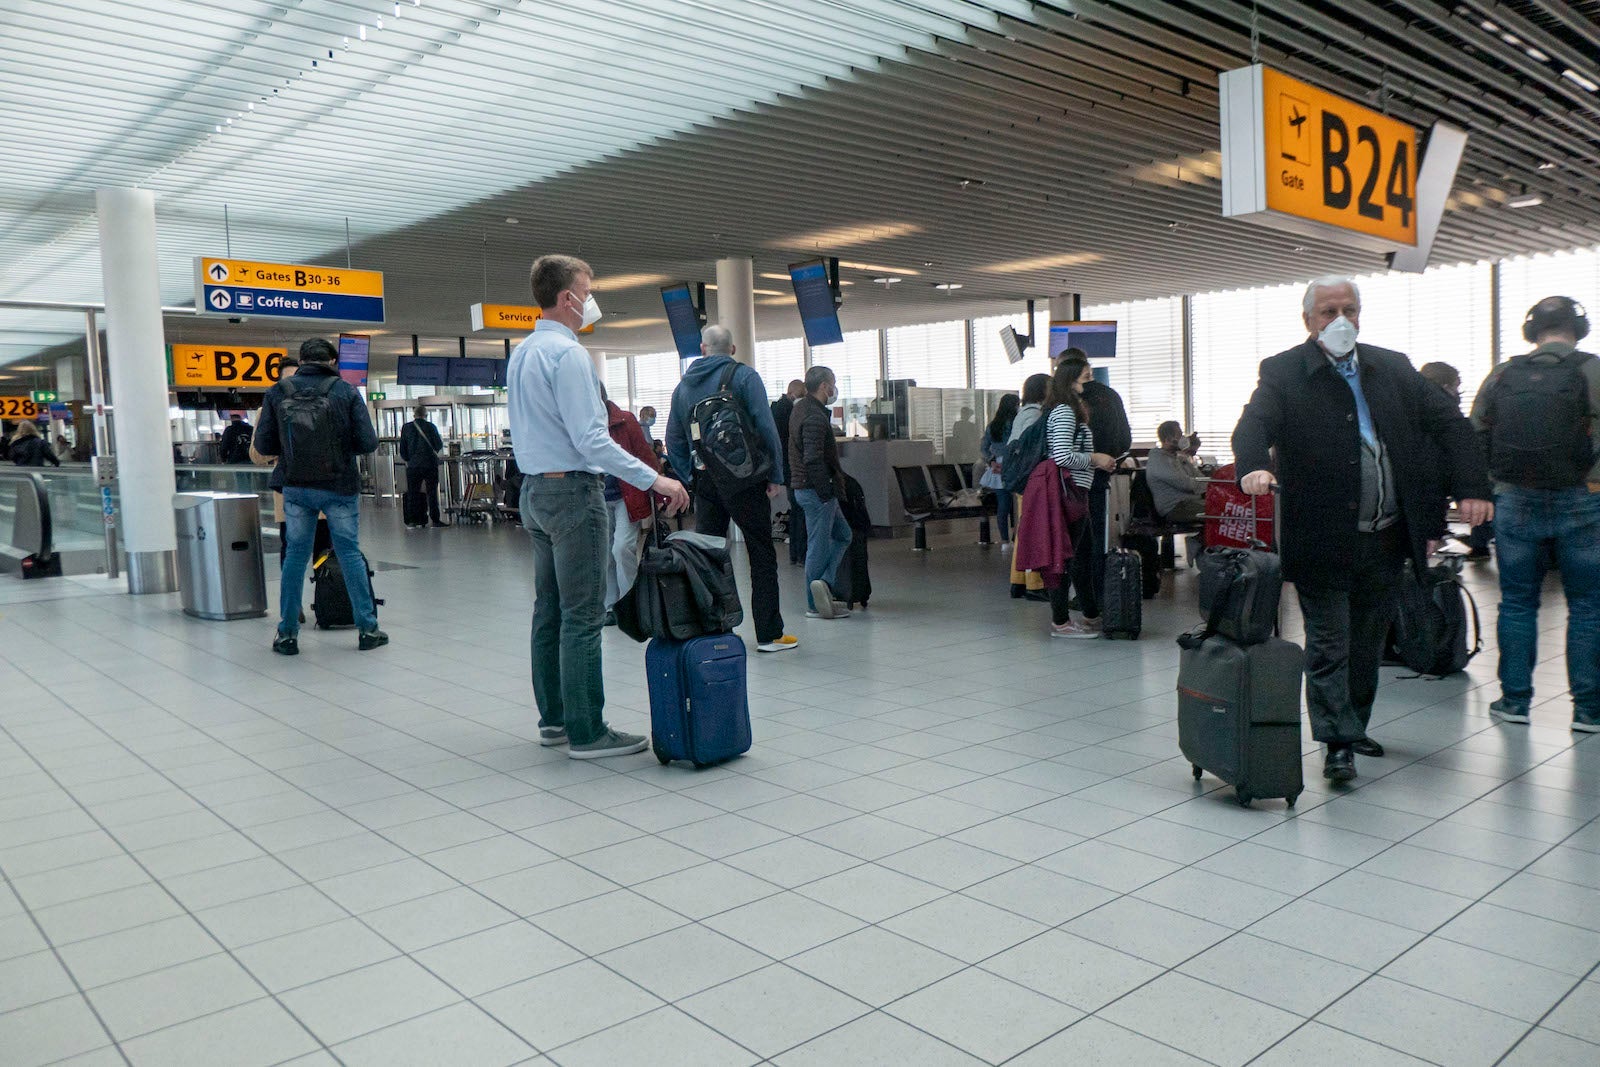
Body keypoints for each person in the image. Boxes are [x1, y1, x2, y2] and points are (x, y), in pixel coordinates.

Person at [1234, 276, 1491, 782]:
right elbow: (1253, 424)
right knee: (1330, 642)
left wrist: (1472, 485)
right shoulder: (1285, 371)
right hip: (1324, 536)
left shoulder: (1390, 366)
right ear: (1309, 320)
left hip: (1387, 536)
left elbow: (1450, 423)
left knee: (1368, 641)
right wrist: (1251, 464)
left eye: (1349, 309)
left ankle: (1353, 725)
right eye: (1328, 311)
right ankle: (1336, 743)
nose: (1340, 319)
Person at [507, 254, 689, 759]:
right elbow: (592, 440)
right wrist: (655, 478)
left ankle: (555, 721)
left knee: (548, 611)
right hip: (572, 496)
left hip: (535, 492)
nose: (591, 301)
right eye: (587, 291)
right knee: (584, 615)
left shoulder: (523, 353)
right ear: (568, 298)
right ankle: (588, 731)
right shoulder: (568, 357)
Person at [1471, 296, 1600, 732]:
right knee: (1587, 607)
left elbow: (1476, 433)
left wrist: (1495, 487)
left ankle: (1514, 702)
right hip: (1583, 500)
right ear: (1578, 329)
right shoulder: (1594, 370)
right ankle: (1588, 710)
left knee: (1519, 604)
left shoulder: (1504, 373)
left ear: (1533, 332)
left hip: (1515, 501)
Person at [666, 324, 798, 653]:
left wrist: (688, 479)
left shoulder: (683, 387)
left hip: (707, 481)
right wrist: (775, 475)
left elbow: (674, 439)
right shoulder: (743, 377)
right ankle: (769, 634)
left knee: (707, 557)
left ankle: (711, 630)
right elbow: (765, 426)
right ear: (733, 349)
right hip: (745, 479)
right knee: (761, 554)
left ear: (702, 347)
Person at [254, 338, 386, 655]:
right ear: (332, 361)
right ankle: (368, 630)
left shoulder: (277, 392)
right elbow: (368, 442)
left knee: (296, 557)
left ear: (301, 361)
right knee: (349, 553)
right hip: (339, 488)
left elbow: (265, 446)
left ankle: (287, 635)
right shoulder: (345, 391)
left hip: (297, 488)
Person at [1045, 356, 1117, 637]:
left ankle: (1089, 614)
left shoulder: (1067, 410)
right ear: (1071, 380)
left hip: (1076, 492)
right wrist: (1095, 458)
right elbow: (1061, 455)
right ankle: (1061, 622)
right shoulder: (1064, 412)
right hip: (1068, 493)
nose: (1089, 382)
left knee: (1082, 555)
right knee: (1066, 557)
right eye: (1085, 377)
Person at [790, 365, 854, 619]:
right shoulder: (814, 417)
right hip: (816, 491)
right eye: (833, 383)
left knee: (843, 534)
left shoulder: (801, 410)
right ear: (825, 386)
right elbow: (813, 458)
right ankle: (814, 603)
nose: (834, 389)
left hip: (809, 488)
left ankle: (823, 586)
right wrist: (826, 492)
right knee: (818, 546)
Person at [1075, 352, 1132, 623]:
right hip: (1101, 475)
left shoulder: (1067, 402)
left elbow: (1058, 451)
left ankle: (1079, 600)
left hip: (1071, 480)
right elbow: (1125, 439)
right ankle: (1098, 596)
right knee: (1097, 537)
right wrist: (1106, 458)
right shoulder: (1111, 396)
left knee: (1073, 540)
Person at [1418, 362, 1492, 561]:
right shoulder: (1444, 416)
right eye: (1456, 387)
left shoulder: (1407, 407)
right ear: (1446, 387)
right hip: (1428, 501)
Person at [600, 386, 660, 623]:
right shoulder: (582, 422)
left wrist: (659, 488)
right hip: (599, 497)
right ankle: (610, 606)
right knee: (604, 553)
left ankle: (632, 604)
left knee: (621, 548)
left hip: (627, 496)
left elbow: (645, 456)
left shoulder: (626, 420)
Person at [1009, 372, 1053, 600]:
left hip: (1019, 478)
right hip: (1031, 479)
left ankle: (1018, 580)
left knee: (1024, 529)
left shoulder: (1021, 413)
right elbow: (1034, 449)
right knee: (1034, 531)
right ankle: (1034, 584)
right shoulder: (1036, 415)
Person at [771, 379, 808, 565]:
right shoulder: (789, 412)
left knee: (795, 509)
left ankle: (795, 553)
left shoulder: (775, 410)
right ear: (793, 393)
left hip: (784, 467)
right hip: (793, 467)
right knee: (800, 510)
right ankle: (801, 554)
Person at [1146, 420, 1207, 522]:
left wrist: (1211, 485)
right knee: (1220, 512)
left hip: (1191, 503)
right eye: (1179, 435)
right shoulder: (1159, 461)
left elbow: (1200, 478)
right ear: (1168, 440)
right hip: (1175, 508)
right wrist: (1208, 486)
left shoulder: (1179, 458)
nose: (1183, 439)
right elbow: (1186, 484)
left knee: (1224, 506)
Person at [980, 394, 1019, 546]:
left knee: (1003, 504)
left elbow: (983, 447)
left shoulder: (993, 425)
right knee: (1018, 504)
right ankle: (1018, 537)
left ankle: (1004, 540)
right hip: (1015, 465)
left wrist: (991, 461)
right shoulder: (1016, 423)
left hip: (997, 466)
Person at [399, 404, 446, 528]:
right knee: (432, 493)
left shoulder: (406, 428)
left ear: (414, 415)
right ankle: (435, 520)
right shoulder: (431, 427)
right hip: (430, 464)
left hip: (413, 466)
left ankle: (413, 521)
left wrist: (409, 459)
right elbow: (438, 444)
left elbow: (403, 448)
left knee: (413, 493)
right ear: (426, 415)